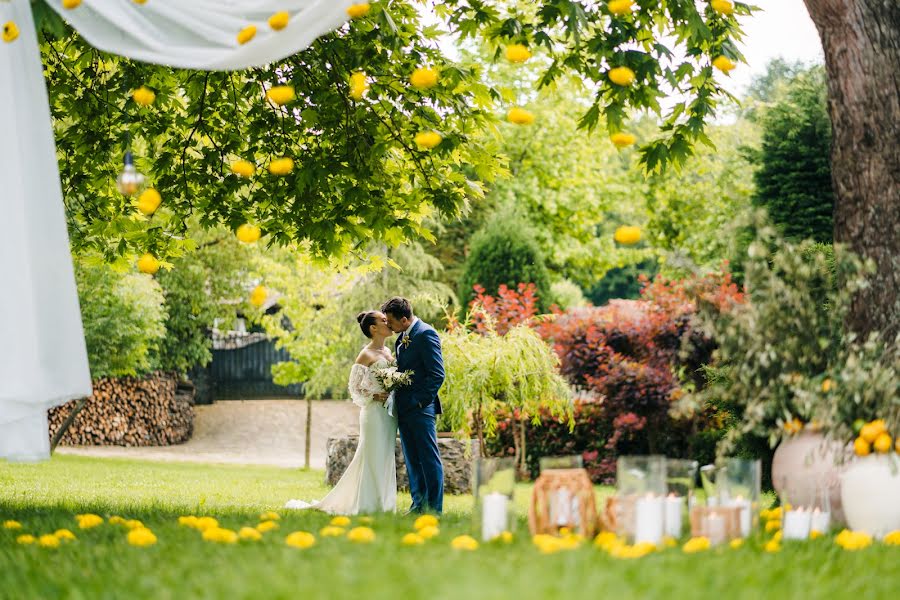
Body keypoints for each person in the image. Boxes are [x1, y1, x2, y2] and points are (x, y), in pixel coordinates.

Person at [284, 311, 398, 514]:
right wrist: (375, 395)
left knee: (386, 456)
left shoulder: (388, 351)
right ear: (373, 328)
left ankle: (385, 504)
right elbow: (355, 387)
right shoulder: (366, 354)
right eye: (383, 320)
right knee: (373, 456)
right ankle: (367, 505)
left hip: (388, 414)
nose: (388, 322)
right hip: (373, 413)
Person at [380, 296, 446, 514]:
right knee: (412, 460)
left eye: (391, 321)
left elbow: (437, 375)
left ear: (405, 319)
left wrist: (418, 403)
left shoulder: (426, 334)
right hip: (404, 409)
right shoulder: (402, 338)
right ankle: (418, 505)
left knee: (428, 460)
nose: (388, 325)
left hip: (421, 409)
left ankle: (434, 510)